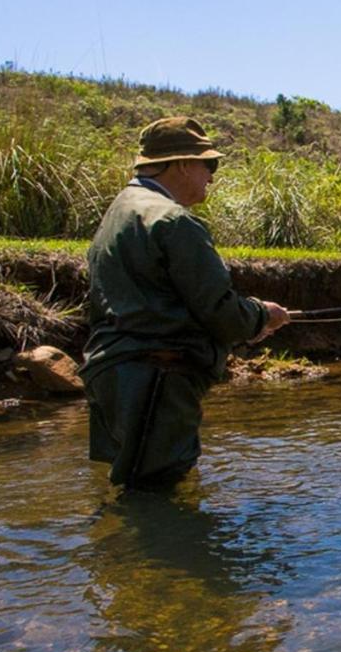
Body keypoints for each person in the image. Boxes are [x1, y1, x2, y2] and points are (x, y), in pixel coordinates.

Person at [80, 117, 290, 489]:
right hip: (155, 381)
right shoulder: (173, 221)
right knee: (156, 495)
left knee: (134, 487)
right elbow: (220, 311)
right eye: (209, 165)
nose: (211, 176)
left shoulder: (121, 210)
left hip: (116, 375)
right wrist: (263, 316)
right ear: (181, 164)